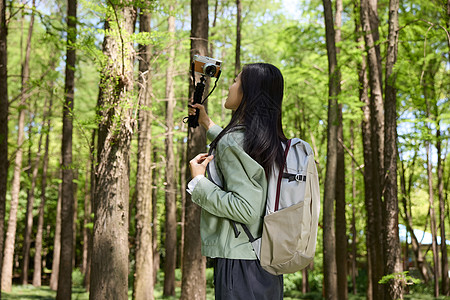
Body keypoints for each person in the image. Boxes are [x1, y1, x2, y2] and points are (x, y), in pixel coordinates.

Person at [187, 63, 287, 300]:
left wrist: (199, 182)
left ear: (247, 93)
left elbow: (246, 209)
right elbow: (240, 150)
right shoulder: (270, 140)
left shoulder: (233, 142)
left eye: (235, 81)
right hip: (266, 260)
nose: (230, 86)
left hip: (239, 263)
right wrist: (208, 124)